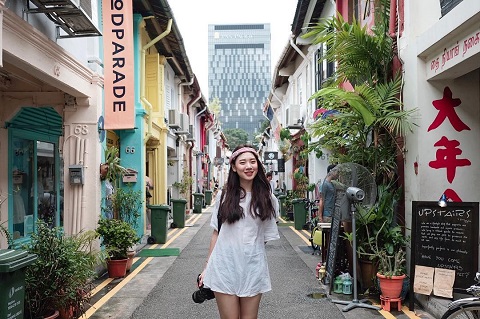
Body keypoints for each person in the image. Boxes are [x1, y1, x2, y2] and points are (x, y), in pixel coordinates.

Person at [199, 144, 280, 318]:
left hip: (252, 268)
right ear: (234, 167)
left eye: (253, 161)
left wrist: (249, 249)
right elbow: (217, 233)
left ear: (258, 165)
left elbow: (264, 237)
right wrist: (207, 268)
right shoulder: (224, 196)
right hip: (224, 267)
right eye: (243, 162)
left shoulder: (268, 199)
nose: (248, 166)